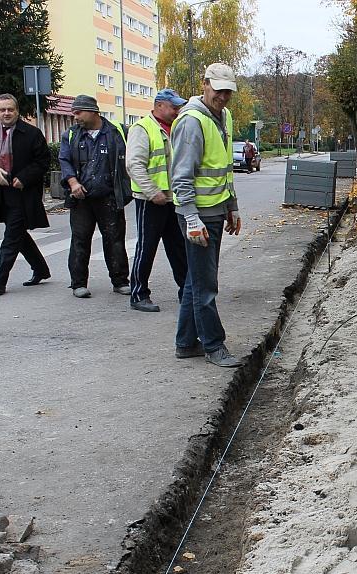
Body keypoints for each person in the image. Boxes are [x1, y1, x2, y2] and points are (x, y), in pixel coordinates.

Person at [170, 63, 242, 368]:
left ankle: (186, 343)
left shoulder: (222, 116)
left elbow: (224, 168)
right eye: (218, 89)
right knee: (205, 285)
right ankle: (214, 345)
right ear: (205, 85)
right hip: (197, 215)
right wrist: (192, 219)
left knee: (195, 280)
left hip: (215, 210)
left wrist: (232, 205)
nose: (223, 96)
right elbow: (181, 177)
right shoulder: (191, 122)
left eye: (228, 91)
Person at [0, 93, 51, 296]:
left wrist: (24, 177)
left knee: (11, 237)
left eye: (10, 109)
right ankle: (41, 269)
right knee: (18, 234)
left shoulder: (31, 133)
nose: (7, 113)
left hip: (22, 193)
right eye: (2, 109)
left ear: (17, 110)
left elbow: (42, 161)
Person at [59, 94, 133, 298]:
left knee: (115, 240)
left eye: (78, 112)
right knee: (80, 240)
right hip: (82, 199)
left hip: (109, 197)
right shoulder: (71, 135)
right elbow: (64, 160)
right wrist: (73, 183)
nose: (75, 117)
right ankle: (78, 284)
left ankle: (120, 281)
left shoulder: (117, 132)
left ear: (93, 111)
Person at [125, 88, 189, 312]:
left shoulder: (175, 128)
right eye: (173, 107)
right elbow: (134, 165)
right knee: (147, 247)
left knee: (178, 248)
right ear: (159, 105)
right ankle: (138, 294)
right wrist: (153, 192)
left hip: (173, 199)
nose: (177, 111)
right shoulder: (142, 128)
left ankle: (187, 292)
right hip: (150, 201)